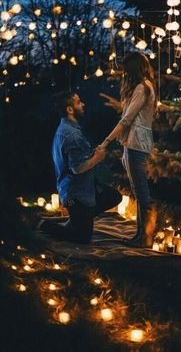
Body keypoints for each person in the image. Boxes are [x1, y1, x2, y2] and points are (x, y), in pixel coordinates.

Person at [40, 91, 121, 244]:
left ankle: (81, 217)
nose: (82, 104)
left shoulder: (67, 129)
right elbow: (77, 168)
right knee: (82, 238)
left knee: (113, 196)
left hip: (84, 188)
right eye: (78, 102)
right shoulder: (72, 135)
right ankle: (43, 225)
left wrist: (91, 154)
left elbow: (74, 159)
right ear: (70, 109)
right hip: (77, 194)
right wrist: (97, 158)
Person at [100, 52, 157, 248]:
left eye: (126, 70)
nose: (124, 74)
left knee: (140, 189)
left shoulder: (142, 88)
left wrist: (106, 141)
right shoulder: (142, 87)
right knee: (136, 187)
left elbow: (126, 120)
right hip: (133, 142)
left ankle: (145, 237)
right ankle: (140, 234)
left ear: (131, 70)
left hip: (136, 142)